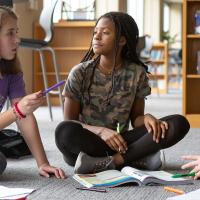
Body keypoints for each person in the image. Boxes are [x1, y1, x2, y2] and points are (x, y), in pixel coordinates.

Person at [55, 12, 190, 174]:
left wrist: (146, 118)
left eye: (105, 33)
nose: (97, 37)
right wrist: (101, 131)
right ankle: (136, 158)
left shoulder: (137, 73)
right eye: (95, 32)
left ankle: (114, 161)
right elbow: (70, 122)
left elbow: (136, 119)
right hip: (87, 143)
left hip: (121, 142)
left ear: (122, 40)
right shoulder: (79, 72)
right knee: (64, 131)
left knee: (177, 123)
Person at [0, 6, 65, 178]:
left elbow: (24, 117)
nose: (17, 40)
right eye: (10, 33)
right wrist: (18, 110)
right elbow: (19, 112)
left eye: (17, 32)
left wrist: (43, 163)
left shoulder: (11, 72)